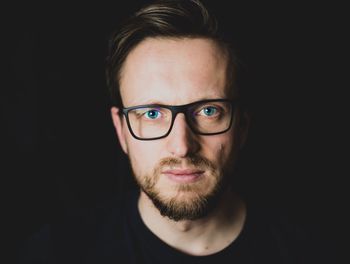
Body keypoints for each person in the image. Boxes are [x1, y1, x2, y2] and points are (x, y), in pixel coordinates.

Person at [16, 0, 334, 263]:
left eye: (208, 111)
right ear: (121, 130)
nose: (182, 146)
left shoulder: (316, 252)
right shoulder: (53, 253)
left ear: (243, 126)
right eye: (152, 113)